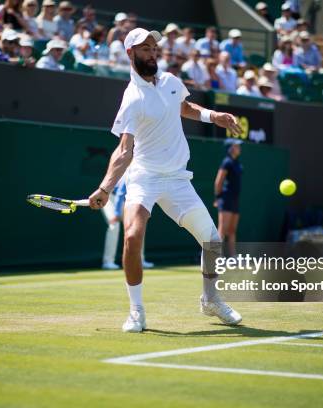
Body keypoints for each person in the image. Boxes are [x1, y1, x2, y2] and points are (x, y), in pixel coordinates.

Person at [87, 27, 243, 333]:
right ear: (130, 53)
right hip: (144, 177)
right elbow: (124, 150)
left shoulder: (172, 81)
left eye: (154, 47)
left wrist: (215, 116)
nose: (153, 52)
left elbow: (184, 108)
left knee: (212, 242)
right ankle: (136, 311)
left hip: (178, 179)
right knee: (132, 236)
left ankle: (210, 299)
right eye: (145, 48)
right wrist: (106, 187)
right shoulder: (132, 98)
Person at [101, 177, 154, 270]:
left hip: (127, 200)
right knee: (114, 226)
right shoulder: (130, 172)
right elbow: (120, 192)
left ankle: (140, 260)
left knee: (138, 226)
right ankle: (108, 262)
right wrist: (117, 213)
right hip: (109, 197)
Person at [214, 139, 243, 257]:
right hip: (225, 198)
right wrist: (218, 197)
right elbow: (218, 181)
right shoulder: (226, 162)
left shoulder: (236, 163)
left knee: (232, 230)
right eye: (236, 146)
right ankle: (216, 257)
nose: (239, 148)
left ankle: (233, 257)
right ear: (230, 148)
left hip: (235, 199)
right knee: (222, 229)